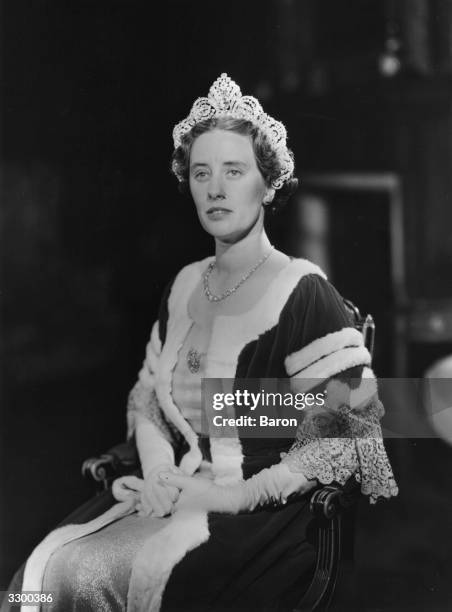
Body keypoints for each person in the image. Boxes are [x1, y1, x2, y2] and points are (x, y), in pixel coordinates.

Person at [4, 73, 398, 612]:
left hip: (257, 517)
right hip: (172, 491)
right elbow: (147, 399)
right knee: (39, 576)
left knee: (89, 572)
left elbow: (352, 428)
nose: (215, 188)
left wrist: (234, 494)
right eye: (200, 173)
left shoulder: (302, 291)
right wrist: (160, 469)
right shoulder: (185, 284)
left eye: (234, 172)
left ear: (269, 182)